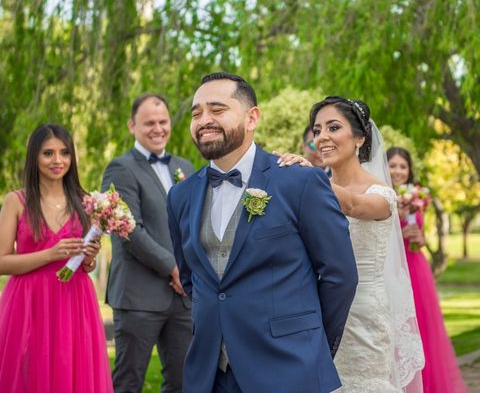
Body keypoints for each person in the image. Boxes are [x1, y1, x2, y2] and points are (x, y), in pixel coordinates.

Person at [167, 72, 358, 393]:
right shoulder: (180, 196)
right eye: (196, 113)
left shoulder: (299, 182)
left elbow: (340, 275)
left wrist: (309, 345)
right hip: (210, 375)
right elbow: (192, 280)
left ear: (252, 117)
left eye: (217, 110)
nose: (204, 120)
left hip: (288, 369)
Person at [310, 96, 424, 392]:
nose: (322, 137)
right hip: (318, 311)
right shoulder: (312, 187)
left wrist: (308, 177)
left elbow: (354, 205)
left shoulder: (382, 194)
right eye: (317, 130)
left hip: (363, 315)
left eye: (333, 128)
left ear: (360, 137)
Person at [0, 124, 112, 392]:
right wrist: (49, 254)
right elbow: (2, 261)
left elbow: (86, 266)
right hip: (28, 302)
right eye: (48, 153)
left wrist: (90, 258)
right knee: (28, 375)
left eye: (64, 153)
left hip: (74, 301)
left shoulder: (86, 202)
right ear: (34, 157)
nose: (57, 160)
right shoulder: (16, 201)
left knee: (71, 373)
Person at [102, 94, 194, 393]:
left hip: (183, 300)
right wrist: (173, 268)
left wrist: (190, 271)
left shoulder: (185, 167)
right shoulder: (120, 168)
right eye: (149, 123)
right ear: (132, 126)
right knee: (129, 383)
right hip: (138, 297)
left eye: (163, 121)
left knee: (184, 382)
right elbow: (129, 231)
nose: (158, 128)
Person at [387, 147, 468, 393]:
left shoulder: (417, 197)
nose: (398, 171)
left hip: (417, 268)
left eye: (403, 166)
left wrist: (419, 239)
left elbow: (420, 235)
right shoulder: (379, 196)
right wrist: (400, 234)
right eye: (393, 165)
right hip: (393, 268)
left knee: (423, 329)